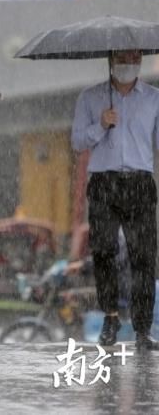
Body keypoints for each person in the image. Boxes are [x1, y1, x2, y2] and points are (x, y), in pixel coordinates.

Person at [71, 49, 159, 351]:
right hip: (104, 182)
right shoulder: (90, 97)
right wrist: (101, 125)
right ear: (111, 60)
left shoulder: (153, 98)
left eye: (134, 58)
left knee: (144, 257)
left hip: (140, 183)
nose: (128, 64)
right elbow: (77, 141)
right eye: (122, 58)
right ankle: (110, 318)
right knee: (105, 251)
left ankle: (143, 329)